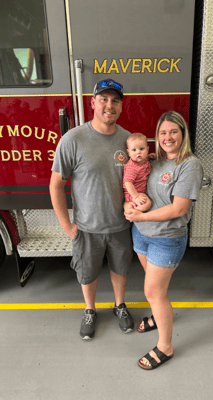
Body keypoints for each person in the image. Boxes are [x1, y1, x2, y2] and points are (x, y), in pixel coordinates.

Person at [50, 79, 134, 340]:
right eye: (104, 100)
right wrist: (68, 227)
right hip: (87, 228)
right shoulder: (73, 139)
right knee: (87, 273)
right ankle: (90, 309)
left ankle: (119, 305)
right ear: (93, 103)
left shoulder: (127, 139)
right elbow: (55, 185)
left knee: (120, 269)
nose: (109, 105)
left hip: (121, 225)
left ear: (121, 106)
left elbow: (136, 177)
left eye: (115, 100)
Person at [125, 111, 203, 370]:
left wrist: (141, 216)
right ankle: (160, 318)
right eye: (162, 133)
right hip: (142, 234)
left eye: (173, 132)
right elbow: (138, 188)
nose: (168, 137)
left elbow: (179, 209)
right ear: (156, 137)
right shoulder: (153, 161)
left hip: (166, 239)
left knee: (153, 292)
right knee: (154, 288)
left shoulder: (189, 164)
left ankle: (165, 347)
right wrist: (130, 205)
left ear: (183, 134)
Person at [123, 133, 151, 212]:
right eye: (134, 150)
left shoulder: (144, 160)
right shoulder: (132, 167)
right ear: (129, 152)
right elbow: (127, 183)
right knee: (147, 204)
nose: (138, 152)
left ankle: (131, 208)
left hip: (140, 191)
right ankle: (131, 209)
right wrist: (136, 196)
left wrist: (150, 156)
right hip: (133, 193)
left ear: (147, 150)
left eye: (141, 149)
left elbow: (145, 159)